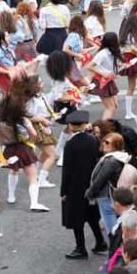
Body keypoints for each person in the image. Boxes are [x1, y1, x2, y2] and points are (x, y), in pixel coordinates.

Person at [60, 109, 106, 260]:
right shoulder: (93, 140)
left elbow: (67, 170)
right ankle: (100, 242)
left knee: (76, 218)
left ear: (71, 126)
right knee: (92, 215)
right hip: (91, 183)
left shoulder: (71, 144)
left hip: (75, 186)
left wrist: (63, 190)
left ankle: (80, 248)